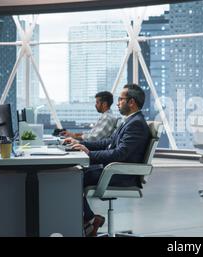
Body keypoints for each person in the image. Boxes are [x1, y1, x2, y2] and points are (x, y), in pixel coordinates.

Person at [65, 84, 151, 236]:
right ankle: (90, 221)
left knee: (73, 176)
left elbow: (120, 154)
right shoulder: (129, 121)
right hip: (114, 170)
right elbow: (108, 143)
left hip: (121, 174)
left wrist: (89, 154)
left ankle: (89, 221)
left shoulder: (136, 123)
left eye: (120, 99)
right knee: (75, 173)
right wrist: (82, 145)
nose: (117, 103)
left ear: (131, 102)